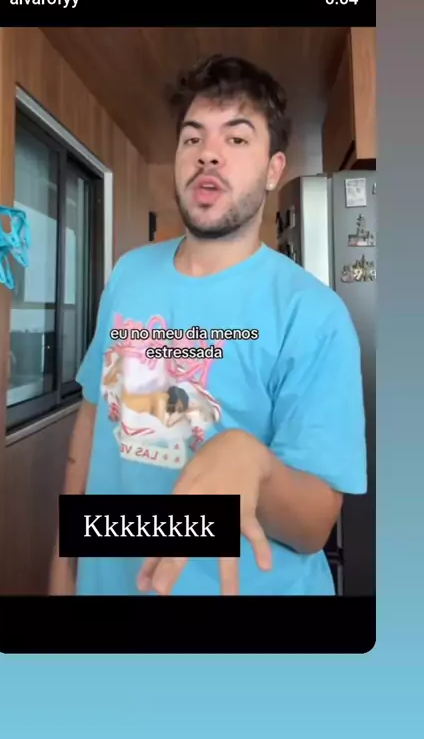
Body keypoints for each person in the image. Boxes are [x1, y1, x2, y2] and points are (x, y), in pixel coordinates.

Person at [49, 54, 367, 597]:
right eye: (192, 138)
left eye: (237, 139)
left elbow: (315, 525)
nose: (208, 153)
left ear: (274, 170)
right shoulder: (128, 274)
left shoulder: (313, 314)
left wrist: (257, 467)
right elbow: (92, 420)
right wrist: (64, 569)